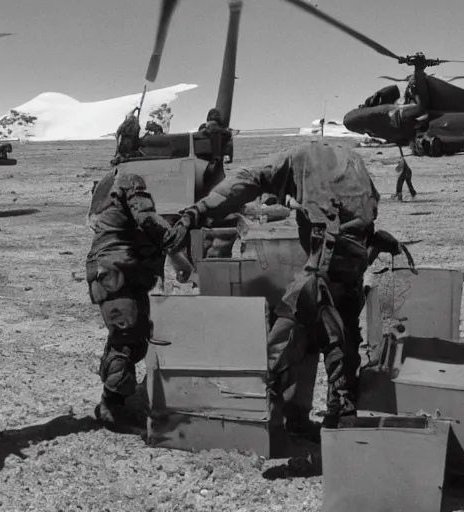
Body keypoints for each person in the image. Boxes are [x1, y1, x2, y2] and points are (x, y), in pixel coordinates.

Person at [173, 141, 415, 436]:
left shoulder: (297, 158)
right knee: (342, 335)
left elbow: (247, 180)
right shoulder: (353, 161)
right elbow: (365, 208)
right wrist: (375, 238)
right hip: (354, 259)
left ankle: (253, 415)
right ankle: (341, 419)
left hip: (324, 259)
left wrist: (197, 211)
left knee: (287, 332)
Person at [85, 168, 193, 434]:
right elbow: (148, 221)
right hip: (115, 273)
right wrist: (179, 253)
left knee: (136, 339)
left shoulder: (116, 184)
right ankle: (113, 408)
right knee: (126, 337)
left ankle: (118, 398)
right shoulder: (130, 181)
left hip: (127, 273)